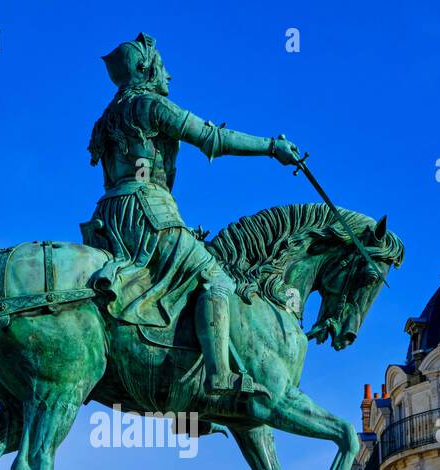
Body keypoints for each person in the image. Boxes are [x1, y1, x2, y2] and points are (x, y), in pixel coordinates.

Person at [86, 33, 301, 398]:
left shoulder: (106, 118)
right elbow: (213, 139)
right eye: (163, 67)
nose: (169, 76)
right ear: (146, 68)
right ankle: (219, 375)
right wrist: (270, 147)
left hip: (108, 217)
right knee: (216, 281)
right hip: (150, 213)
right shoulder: (151, 106)